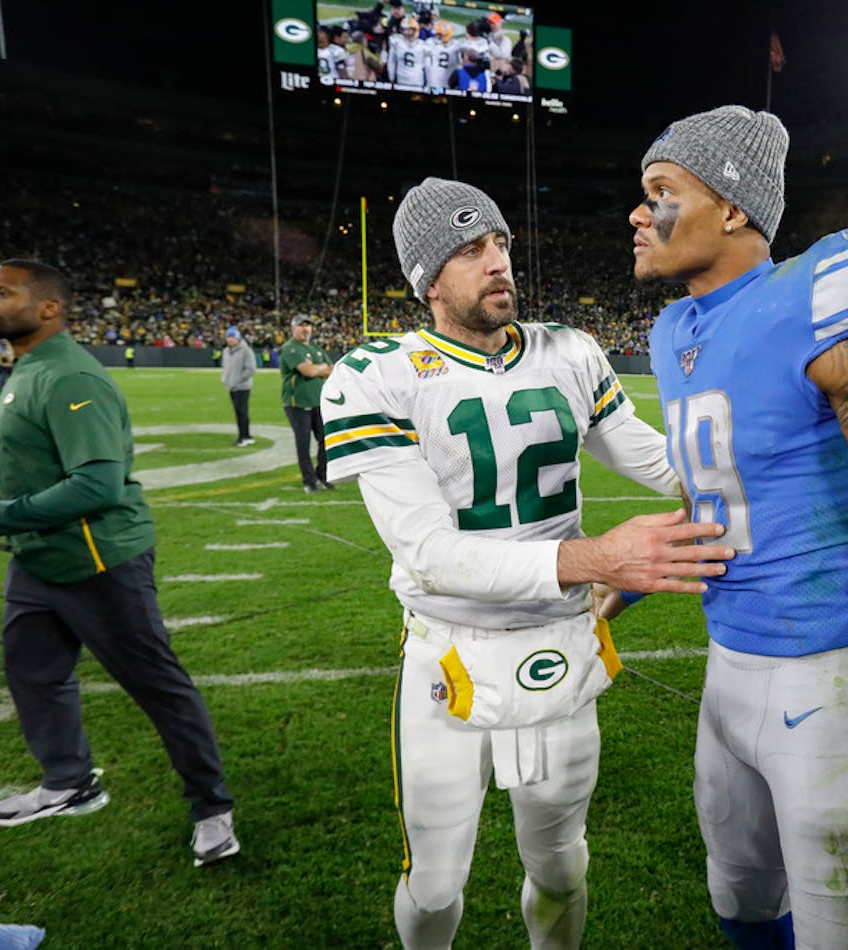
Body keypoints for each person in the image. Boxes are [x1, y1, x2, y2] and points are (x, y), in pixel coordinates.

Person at [320, 177, 735, 950]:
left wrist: (755, 476)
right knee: (437, 884)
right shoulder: (376, 374)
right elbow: (431, 556)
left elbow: (652, 456)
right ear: (427, 279)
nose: (498, 261)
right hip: (449, 650)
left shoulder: (568, 351)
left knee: (562, 866)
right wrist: (599, 556)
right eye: (470, 249)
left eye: (501, 243)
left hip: (558, 646)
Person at [626, 105, 848, 948]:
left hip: (831, 682)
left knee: (845, 934)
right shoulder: (677, 332)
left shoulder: (822, 293)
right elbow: (731, 489)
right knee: (742, 903)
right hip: (726, 669)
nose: (638, 214)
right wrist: (632, 573)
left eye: (662, 192)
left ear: (734, 208)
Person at [0, 260, 238, 867]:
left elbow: (97, 487)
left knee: (158, 687)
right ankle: (69, 781)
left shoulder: (71, 376)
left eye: (2, 292)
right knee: (32, 671)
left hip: (99, 560)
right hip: (38, 559)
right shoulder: (28, 367)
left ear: (50, 307)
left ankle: (212, 808)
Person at [279, 314, 333, 493]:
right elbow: (307, 371)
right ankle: (309, 481)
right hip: (297, 403)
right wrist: (320, 368)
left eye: (307, 326)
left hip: (318, 401)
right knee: (303, 443)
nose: (305, 329)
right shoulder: (290, 348)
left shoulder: (316, 348)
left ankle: (323, 476)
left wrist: (317, 369)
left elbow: (332, 370)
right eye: (301, 326)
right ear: (293, 328)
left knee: (325, 441)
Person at [221, 326, 255, 447]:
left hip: (243, 387)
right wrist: (225, 379)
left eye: (232, 337)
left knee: (242, 412)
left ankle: (244, 436)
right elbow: (226, 367)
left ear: (237, 338)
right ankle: (245, 435)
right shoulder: (226, 351)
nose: (229, 340)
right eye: (228, 337)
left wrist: (237, 380)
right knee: (238, 412)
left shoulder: (246, 350)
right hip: (231, 386)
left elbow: (251, 369)